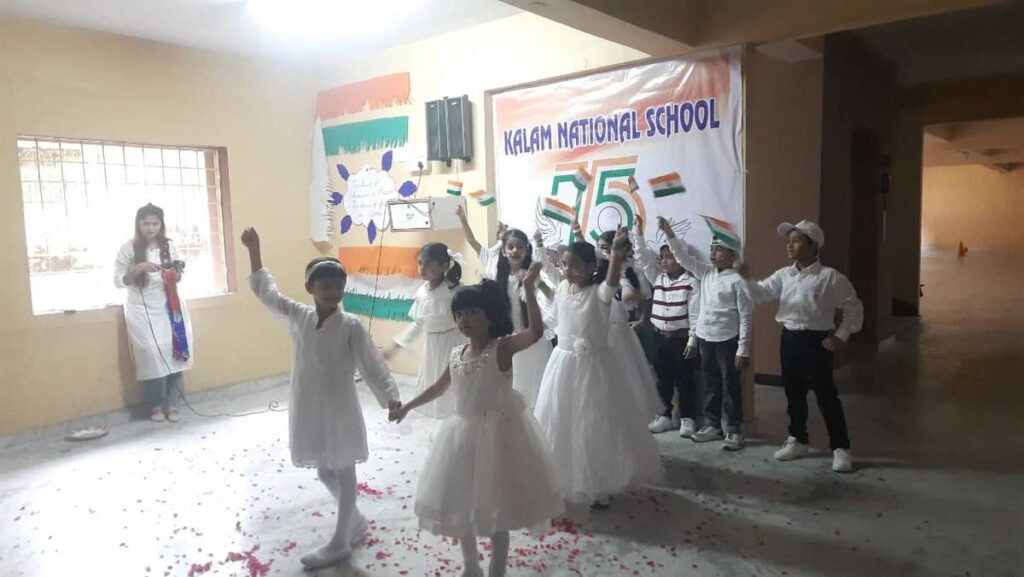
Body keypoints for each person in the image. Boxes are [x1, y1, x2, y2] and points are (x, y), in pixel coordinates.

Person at [241, 227, 401, 568]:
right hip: (308, 406)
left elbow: (373, 365)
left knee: (343, 469)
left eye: (338, 286)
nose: (333, 292)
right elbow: (268, 294)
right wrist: (254, 251)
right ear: (310, 288)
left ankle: (341, 541)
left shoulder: (351, 326)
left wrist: (390, 398)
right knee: (324, 471)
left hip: (340, 408)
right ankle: (355, 520)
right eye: (325, 285)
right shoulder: (299, 316)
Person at [390, 267, 563, 577]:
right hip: (462, 435)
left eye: (471, 312)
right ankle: (471, 565)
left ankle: (497, 570)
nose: (463, 320)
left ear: (490, 316)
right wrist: (408, 407)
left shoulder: (502, 348)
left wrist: (528, 287)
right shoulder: (456, 353)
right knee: (460, 502)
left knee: (498, 509)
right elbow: (438, 387)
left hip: (500, 438)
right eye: (459, 314)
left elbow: (536, 332)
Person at [534, 231, 663, 509]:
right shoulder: (562, 289)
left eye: (575, 264)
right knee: (562, 420)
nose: (568, 269)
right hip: (563, 364)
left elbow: (611, 282)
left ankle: (599, 482)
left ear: (591, 266)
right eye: (565, 264)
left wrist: (615, 255)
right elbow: (553, 318)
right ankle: (564, 478)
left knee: (594, 423)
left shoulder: (600, 293)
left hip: (594, 366)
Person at [743, 220, 863, 473]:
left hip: (816, 342)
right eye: (788, 241)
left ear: (814, 246)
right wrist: (746, 277)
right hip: (789, 339)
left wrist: (841, 336)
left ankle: (841, 447)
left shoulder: (830, 277)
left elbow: (853, 307)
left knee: (826, 395)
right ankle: (798, 439)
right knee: (793, 393)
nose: (789, 245)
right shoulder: (784, 275)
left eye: (796, 241)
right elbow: (760, 294)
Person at [656, 215, 753, 451]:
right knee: (711, 384)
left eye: (718, 250)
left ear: (732, 255)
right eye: (711, 249)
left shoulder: (738, 281)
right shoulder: (706, 273)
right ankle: (713, 425)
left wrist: (743, 349)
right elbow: (682, 258)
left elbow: (746, 316)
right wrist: (669, 233)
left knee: (731, 386)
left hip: (727, 341)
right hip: (706, 339)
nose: (713, 253)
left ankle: (734, 429)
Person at [456, 205, 554, 408]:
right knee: (508, 382)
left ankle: (533, 415)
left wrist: (534, 282)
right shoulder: (493, 265)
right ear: (503, 250)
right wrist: (462, 218)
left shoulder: (533, 270)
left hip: (528, 335)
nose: (515, 251)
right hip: (503, 335)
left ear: (526, 250)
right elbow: (473, 242)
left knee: (533, 383)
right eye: (510, 247)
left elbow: (551, 295)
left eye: (520, 247)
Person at [113, 203, 193, 423]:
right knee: (150, 353)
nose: (151, 228)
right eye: (146, 223)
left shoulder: (168, 246)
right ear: (138, 224)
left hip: (170, 305)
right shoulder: (128, 247)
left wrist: (175, 273)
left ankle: (173, 403)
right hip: (140, 308)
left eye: (155, 223)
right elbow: (118, 281)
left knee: (175, 350)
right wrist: (138, 268)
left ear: (161, 224)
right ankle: (156, 404)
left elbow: (178, 276)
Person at [631, 219, 702, 437]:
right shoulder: (658, 278)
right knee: (663, 380)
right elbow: (643, 258)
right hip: (659, 337)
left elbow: (695, 314)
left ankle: (687, 417)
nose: (663, 261)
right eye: (661, 257)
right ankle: (666, 415)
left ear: (681, 259)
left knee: (685, 380)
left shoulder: (691, 282)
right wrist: (638, 233)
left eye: (669, 257)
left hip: (681, 339)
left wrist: (692, 341)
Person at [382, 243, 468, 418]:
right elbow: (418, 324)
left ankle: (461, 420)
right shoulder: (422, 292)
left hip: (454, 344)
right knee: (436, 387)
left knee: (456, 388)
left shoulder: (454, 291)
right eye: (420, 263)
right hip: (432, 347)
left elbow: (468, 321)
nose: (422, 268)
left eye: (429, 264)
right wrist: (396, 346)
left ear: (444, 266)